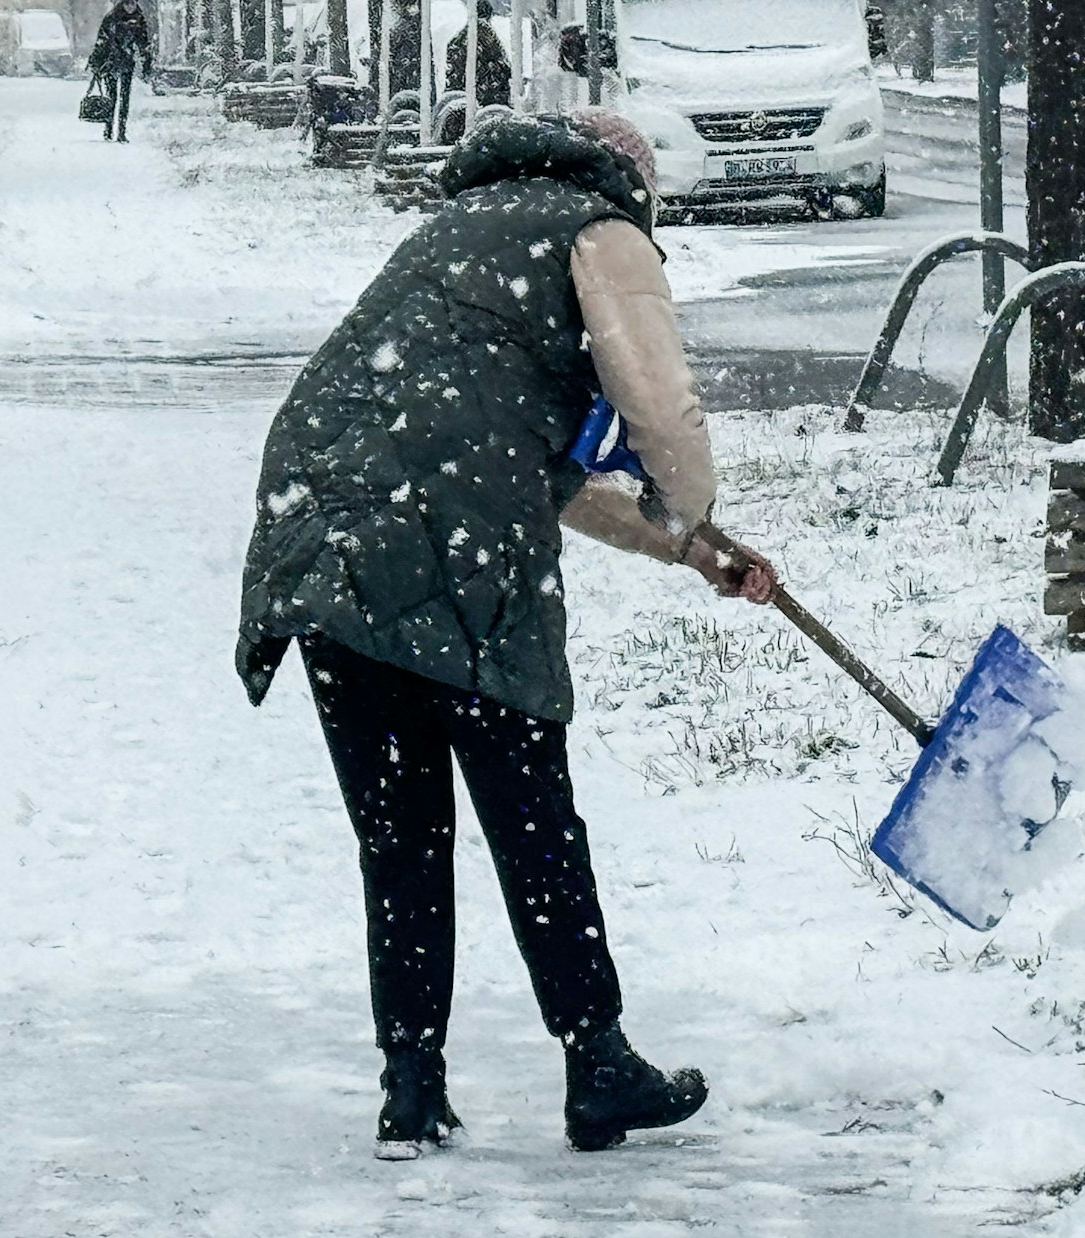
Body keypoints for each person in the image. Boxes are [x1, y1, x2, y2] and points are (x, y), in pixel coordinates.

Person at [236, 111, 779, 1159]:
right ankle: (596, 1058)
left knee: (400, 833)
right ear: (636, 187)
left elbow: (527, 460)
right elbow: (660, 412)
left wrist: (694, 550)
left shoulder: (463, 228)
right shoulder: (597, 227)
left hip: (321, 526)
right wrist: (691, 502)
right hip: (443, 534)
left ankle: (410, 1086)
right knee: (530, 811)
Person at [88, 0, 153, 143]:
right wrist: (96, 61)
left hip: (127, 62)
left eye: (132, 3)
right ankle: (109, 127)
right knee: (112, 97)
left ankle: (121, 131)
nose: (130, 7)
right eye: (127, 3)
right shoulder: (112, 18)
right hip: (110, 62)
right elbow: (101, 41)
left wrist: (146, 63)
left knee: (125, 98)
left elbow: (143, 42)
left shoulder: (139, 19)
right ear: (122, 4)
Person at [445, 0, 512, 109]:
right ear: (488, 14)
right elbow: (500, 62)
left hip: (463, 91)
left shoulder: (461, 36)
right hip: (486, 94)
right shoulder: (486, 33)